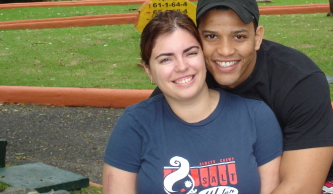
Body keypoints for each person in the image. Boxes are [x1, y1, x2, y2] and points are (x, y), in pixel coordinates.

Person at [103, 10, 283, 194]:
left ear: (204, 56)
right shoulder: (134, 124)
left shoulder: (256, 117)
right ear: (148, 70)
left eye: (190, 53)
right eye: (166, 59)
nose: (182, 67)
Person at [194, 0, 333, 194]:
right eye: (211, 36)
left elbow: (300, 187)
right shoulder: (187, 78)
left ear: (257, 37)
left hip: (308, 182)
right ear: (197, 39)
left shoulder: (299, 80)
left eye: (239, 37)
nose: (225, 50)